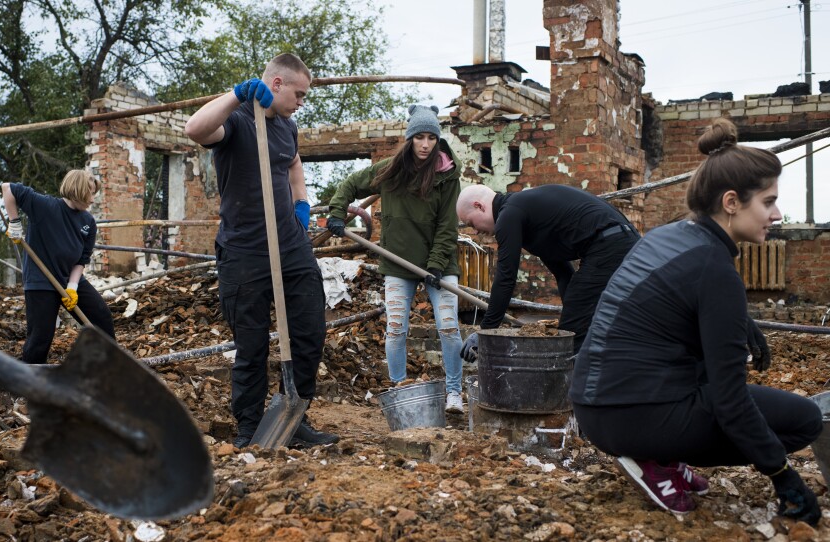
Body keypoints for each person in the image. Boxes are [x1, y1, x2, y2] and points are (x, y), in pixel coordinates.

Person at [568, 118, 822, 523]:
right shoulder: (713, 268)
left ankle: (662, 451)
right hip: (629, 417)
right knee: (803, 421)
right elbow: (731, 400)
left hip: (595, 404)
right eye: (768, 201)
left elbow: (669, 307)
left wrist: (740, 322)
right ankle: (660, 460)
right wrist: (782, 475)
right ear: (732, 202)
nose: (776, 214)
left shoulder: (669, 236)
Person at [184, 53, 338, 448]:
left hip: (291, 246)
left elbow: (294, 163)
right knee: (250, 346)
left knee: (309, 331)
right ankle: (250, 428)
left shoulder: (287, 127)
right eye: (299, 94)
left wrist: (301, 202)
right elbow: (194, 129)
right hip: (244, 252)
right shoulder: (235, 122)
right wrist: (235, 95)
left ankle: (296, 416)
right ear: (276, 84)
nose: (302, 101)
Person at [326, 105, 466, 414]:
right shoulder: (389, 170)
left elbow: (448, 225)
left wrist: (436, 263)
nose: (426, 144)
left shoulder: (446, 175)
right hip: (398, 263)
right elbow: (350, 184)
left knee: (448, 327)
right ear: (410, 139)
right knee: (396, 328)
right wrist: (337, 213)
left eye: (431, 137)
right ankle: (400, 390)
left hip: (438, 265)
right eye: (419, 137)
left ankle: (455, 392)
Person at [456, 182, 640, 359]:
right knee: (587, 324)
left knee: (570, 341)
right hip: (626, 241)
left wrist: (485, 332)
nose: (476, 232)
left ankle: (572, 388)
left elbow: (505, 278)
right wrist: (573, 312)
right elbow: (563, 274)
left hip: (609, 244)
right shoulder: (529, 215)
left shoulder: (509, 214)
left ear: (479, 206)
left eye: (471, 223)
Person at [1, 170, 116, 363]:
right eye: (91, 193)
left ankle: (107, 366)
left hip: (69, 279)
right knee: (41, 336)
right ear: (78, 190)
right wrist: (14, 223)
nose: (93, 199)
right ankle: (30, 380)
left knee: (101, 316)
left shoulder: (88, 221)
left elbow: (82, 259)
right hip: (41, 281)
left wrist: (72, 287)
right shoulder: (45, 206)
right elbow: (8, 189)